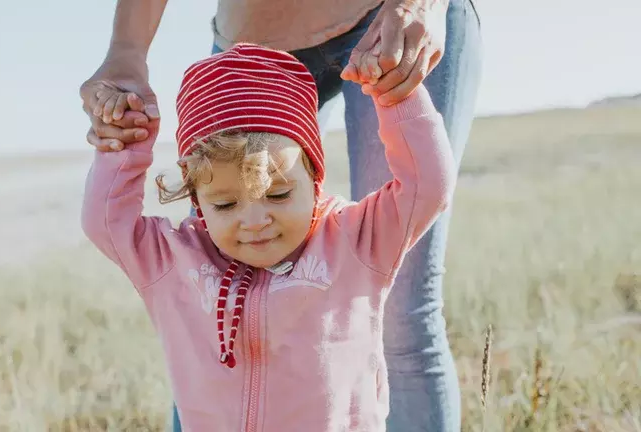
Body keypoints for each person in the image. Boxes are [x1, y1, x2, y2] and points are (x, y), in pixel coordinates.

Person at [79, 1, 482, 430]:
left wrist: (396, 96)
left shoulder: (355, 242)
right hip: (249, 28)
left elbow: (427, 187)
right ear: (196, 198)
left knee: (408, 322)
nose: (254, 222)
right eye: (225, 204)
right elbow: (106, 223)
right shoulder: (175, 260)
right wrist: (125, 141)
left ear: (314, 178)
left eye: (279, 193)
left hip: (388, 18)